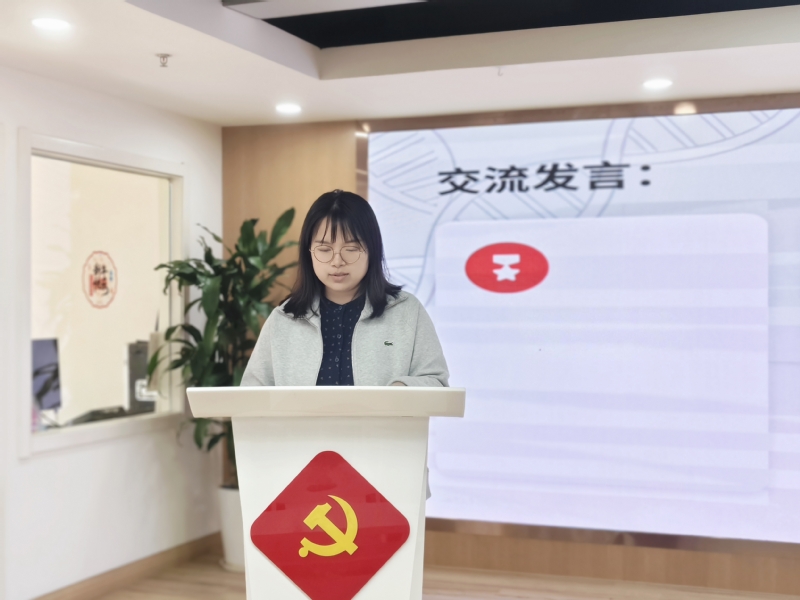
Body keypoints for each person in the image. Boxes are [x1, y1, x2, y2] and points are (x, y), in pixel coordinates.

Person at [241, 189, 449, 389]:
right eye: (324, 249)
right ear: (309, 251)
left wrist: (402, 388)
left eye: (351, 249)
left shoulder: (406, 312)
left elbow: (437, 383)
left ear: (372, 250)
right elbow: (252, 393)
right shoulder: (284, 319)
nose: (337, 261)